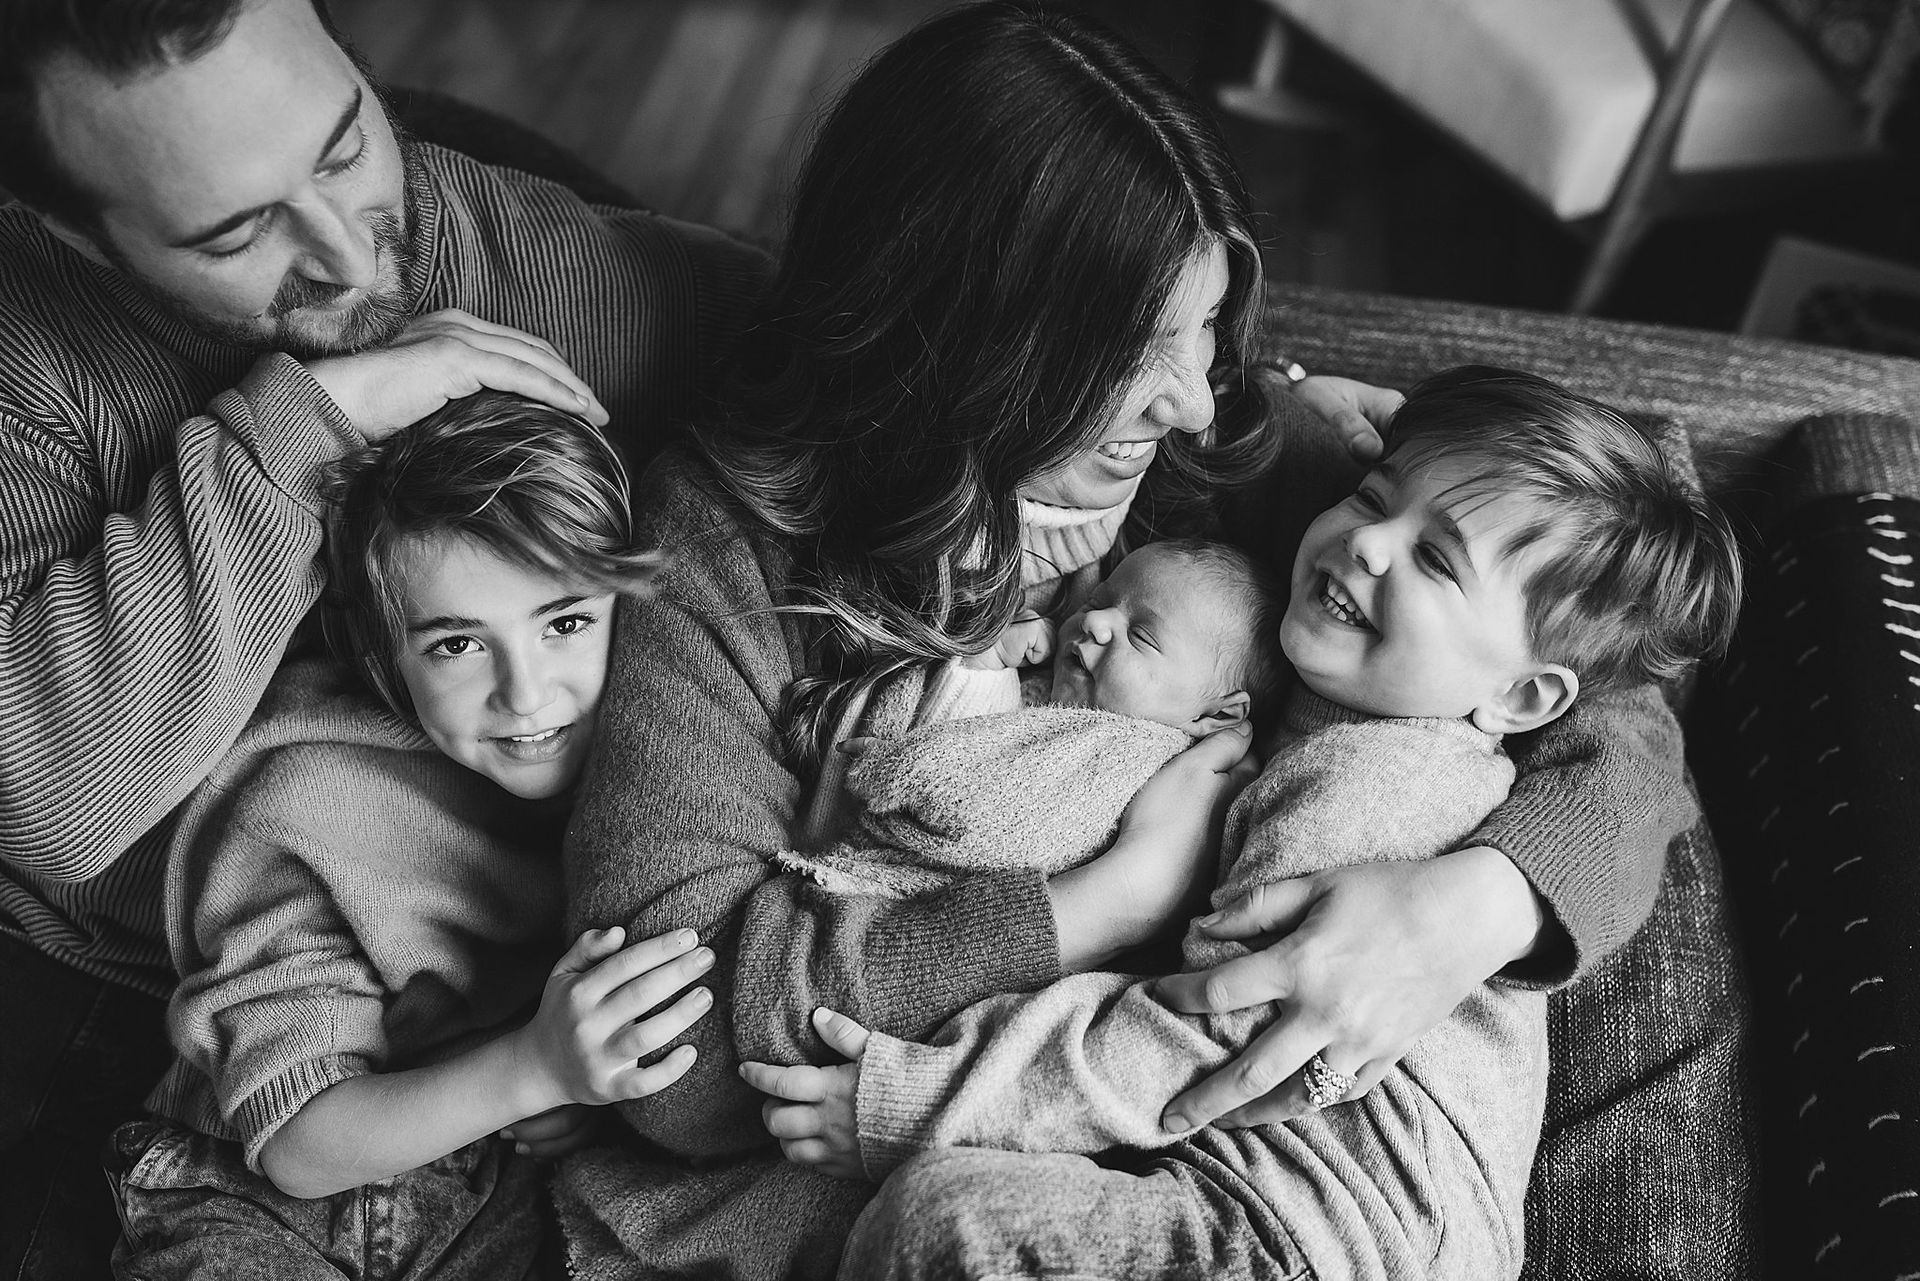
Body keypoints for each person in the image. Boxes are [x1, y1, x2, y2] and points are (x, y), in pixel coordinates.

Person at [558, 7, 1695, 1278]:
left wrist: (1474, 905)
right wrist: (1092, 907)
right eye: (1140, 353)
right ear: (969, 344)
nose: (1202, 395)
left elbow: (1618, 710)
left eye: (1211, 330)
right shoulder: (722, 553)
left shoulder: (1244, 461)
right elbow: (676, 1057)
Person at [0, 0, 767, 1271]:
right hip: (137, 986)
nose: (352, 264)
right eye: (239, 232)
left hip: (486, 972)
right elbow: (57, 806)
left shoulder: (492, 244)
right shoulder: (28, 369)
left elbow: (828, 342)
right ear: (72, 228)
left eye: (346, 146)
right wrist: (313, 415)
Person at [745, 365, 1745, 1279]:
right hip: (1271, 1200)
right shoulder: (1323, 719)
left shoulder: (1380, 784)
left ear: (1525, 698)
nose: (1367, 540)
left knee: (943, 1224)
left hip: (1326, 1235)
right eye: (1372, 497)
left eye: (1436, 561)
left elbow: (1205, 1025)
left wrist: (921, 1104)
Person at [105, 392, 716, 1279]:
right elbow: (297, 1146)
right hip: (256, 1200)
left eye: (567, 622)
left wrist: (562, 1087)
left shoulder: (656, 755)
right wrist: (535, 1068)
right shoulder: (304, 805)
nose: (524, 692)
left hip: (492, 1205)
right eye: (458, 645)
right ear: (386, 656)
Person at [776, 539, 1286, 899]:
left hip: (921, 899)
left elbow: (998, 814)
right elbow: (973, 737)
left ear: (1217, 714)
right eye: (1099, 600)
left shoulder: (1138, 755)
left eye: (1142, 636)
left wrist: (907, 768)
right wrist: (984, 667)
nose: (1096, 622)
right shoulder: (1059, 698)